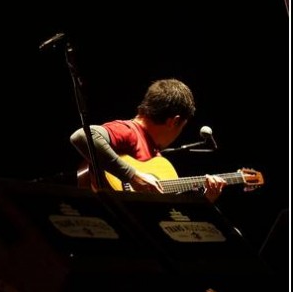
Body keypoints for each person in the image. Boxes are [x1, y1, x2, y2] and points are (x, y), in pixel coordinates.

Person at [70, 78, 226, 203]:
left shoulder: (155, 155)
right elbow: (81, 136)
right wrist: (132, 175)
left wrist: (205, 200)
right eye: (182, 127)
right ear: (174, 121)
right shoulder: (130, 130)